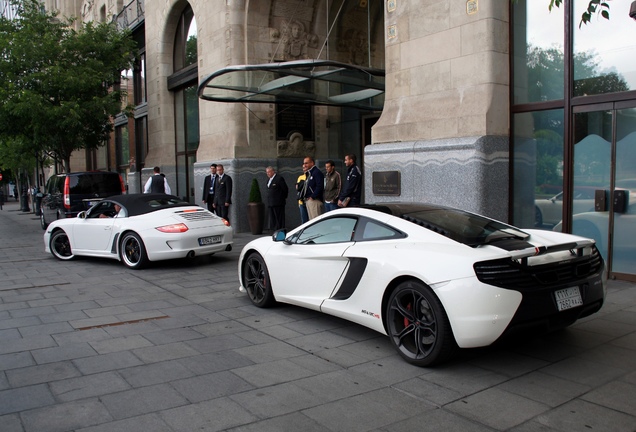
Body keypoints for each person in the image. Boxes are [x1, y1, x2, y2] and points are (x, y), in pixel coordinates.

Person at [265, 166, 288, 230]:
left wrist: (282, 198)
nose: (268, 174)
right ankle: (274, 229)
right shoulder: (268, 180)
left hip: (278, 203)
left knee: (279, 218)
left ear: (273, 171)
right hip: (271, 203)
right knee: (273, 218)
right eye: (267, 172)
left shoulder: (279, 178)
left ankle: (280, 230)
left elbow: (285, 189)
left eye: (269, 172)